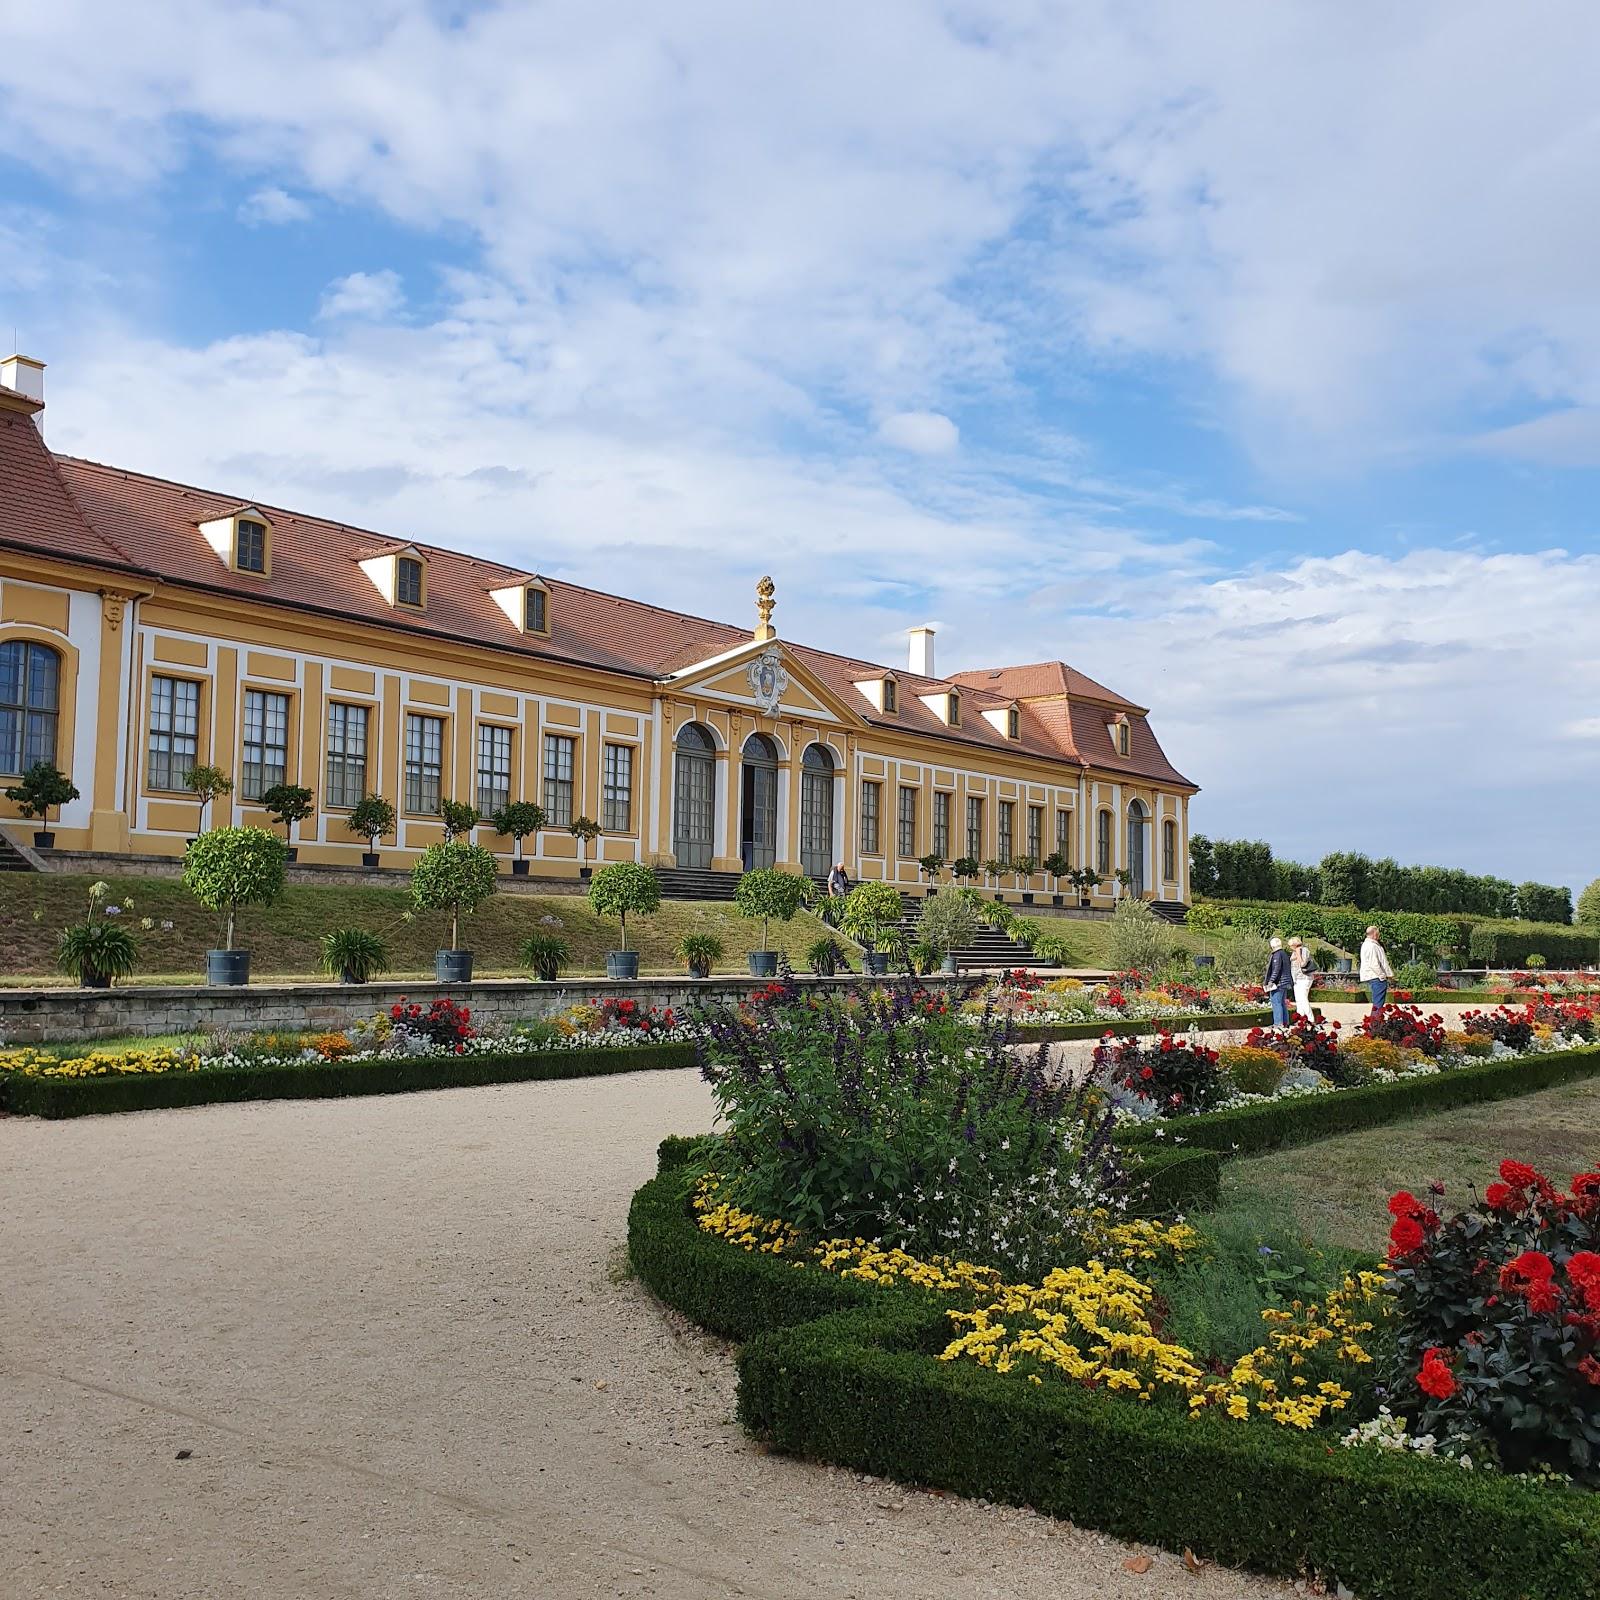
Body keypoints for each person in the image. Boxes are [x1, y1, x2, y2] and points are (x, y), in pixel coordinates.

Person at [1360, 924, 1394, 1011]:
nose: (1379, 936)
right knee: (1378, 1004)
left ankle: (1375, 1022)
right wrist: (1382, 975)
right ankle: (1376, 1023)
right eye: (1378, 934)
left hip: (1375, 976)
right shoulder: (1371, 946)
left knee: (1378, 1003)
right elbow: (1373, 964)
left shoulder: (1368, 945)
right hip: (1377, 977)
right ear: (1374, 934)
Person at [1264, 936, 1291, 1028]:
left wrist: (1271, 981)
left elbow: (1276, 969)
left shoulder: (1277, 954)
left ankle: (1278, 1023)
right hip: (1285, 981)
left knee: (1276, 1002)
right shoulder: (1284, 953)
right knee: (1282, 1002)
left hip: (1279, 982)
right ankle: (1285, 1022)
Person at [1289, 936, 1317, 1023]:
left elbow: (1303, 964)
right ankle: (1300, 1018)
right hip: (1297, 979)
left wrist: (1298, 954)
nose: (1290, 947)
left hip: (1304, 978)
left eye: (1291, 945)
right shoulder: (1295, 952)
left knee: (1303, 998)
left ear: (1294, 944)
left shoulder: (1303, 950)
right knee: (1298, 999)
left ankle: (1310, 1018)